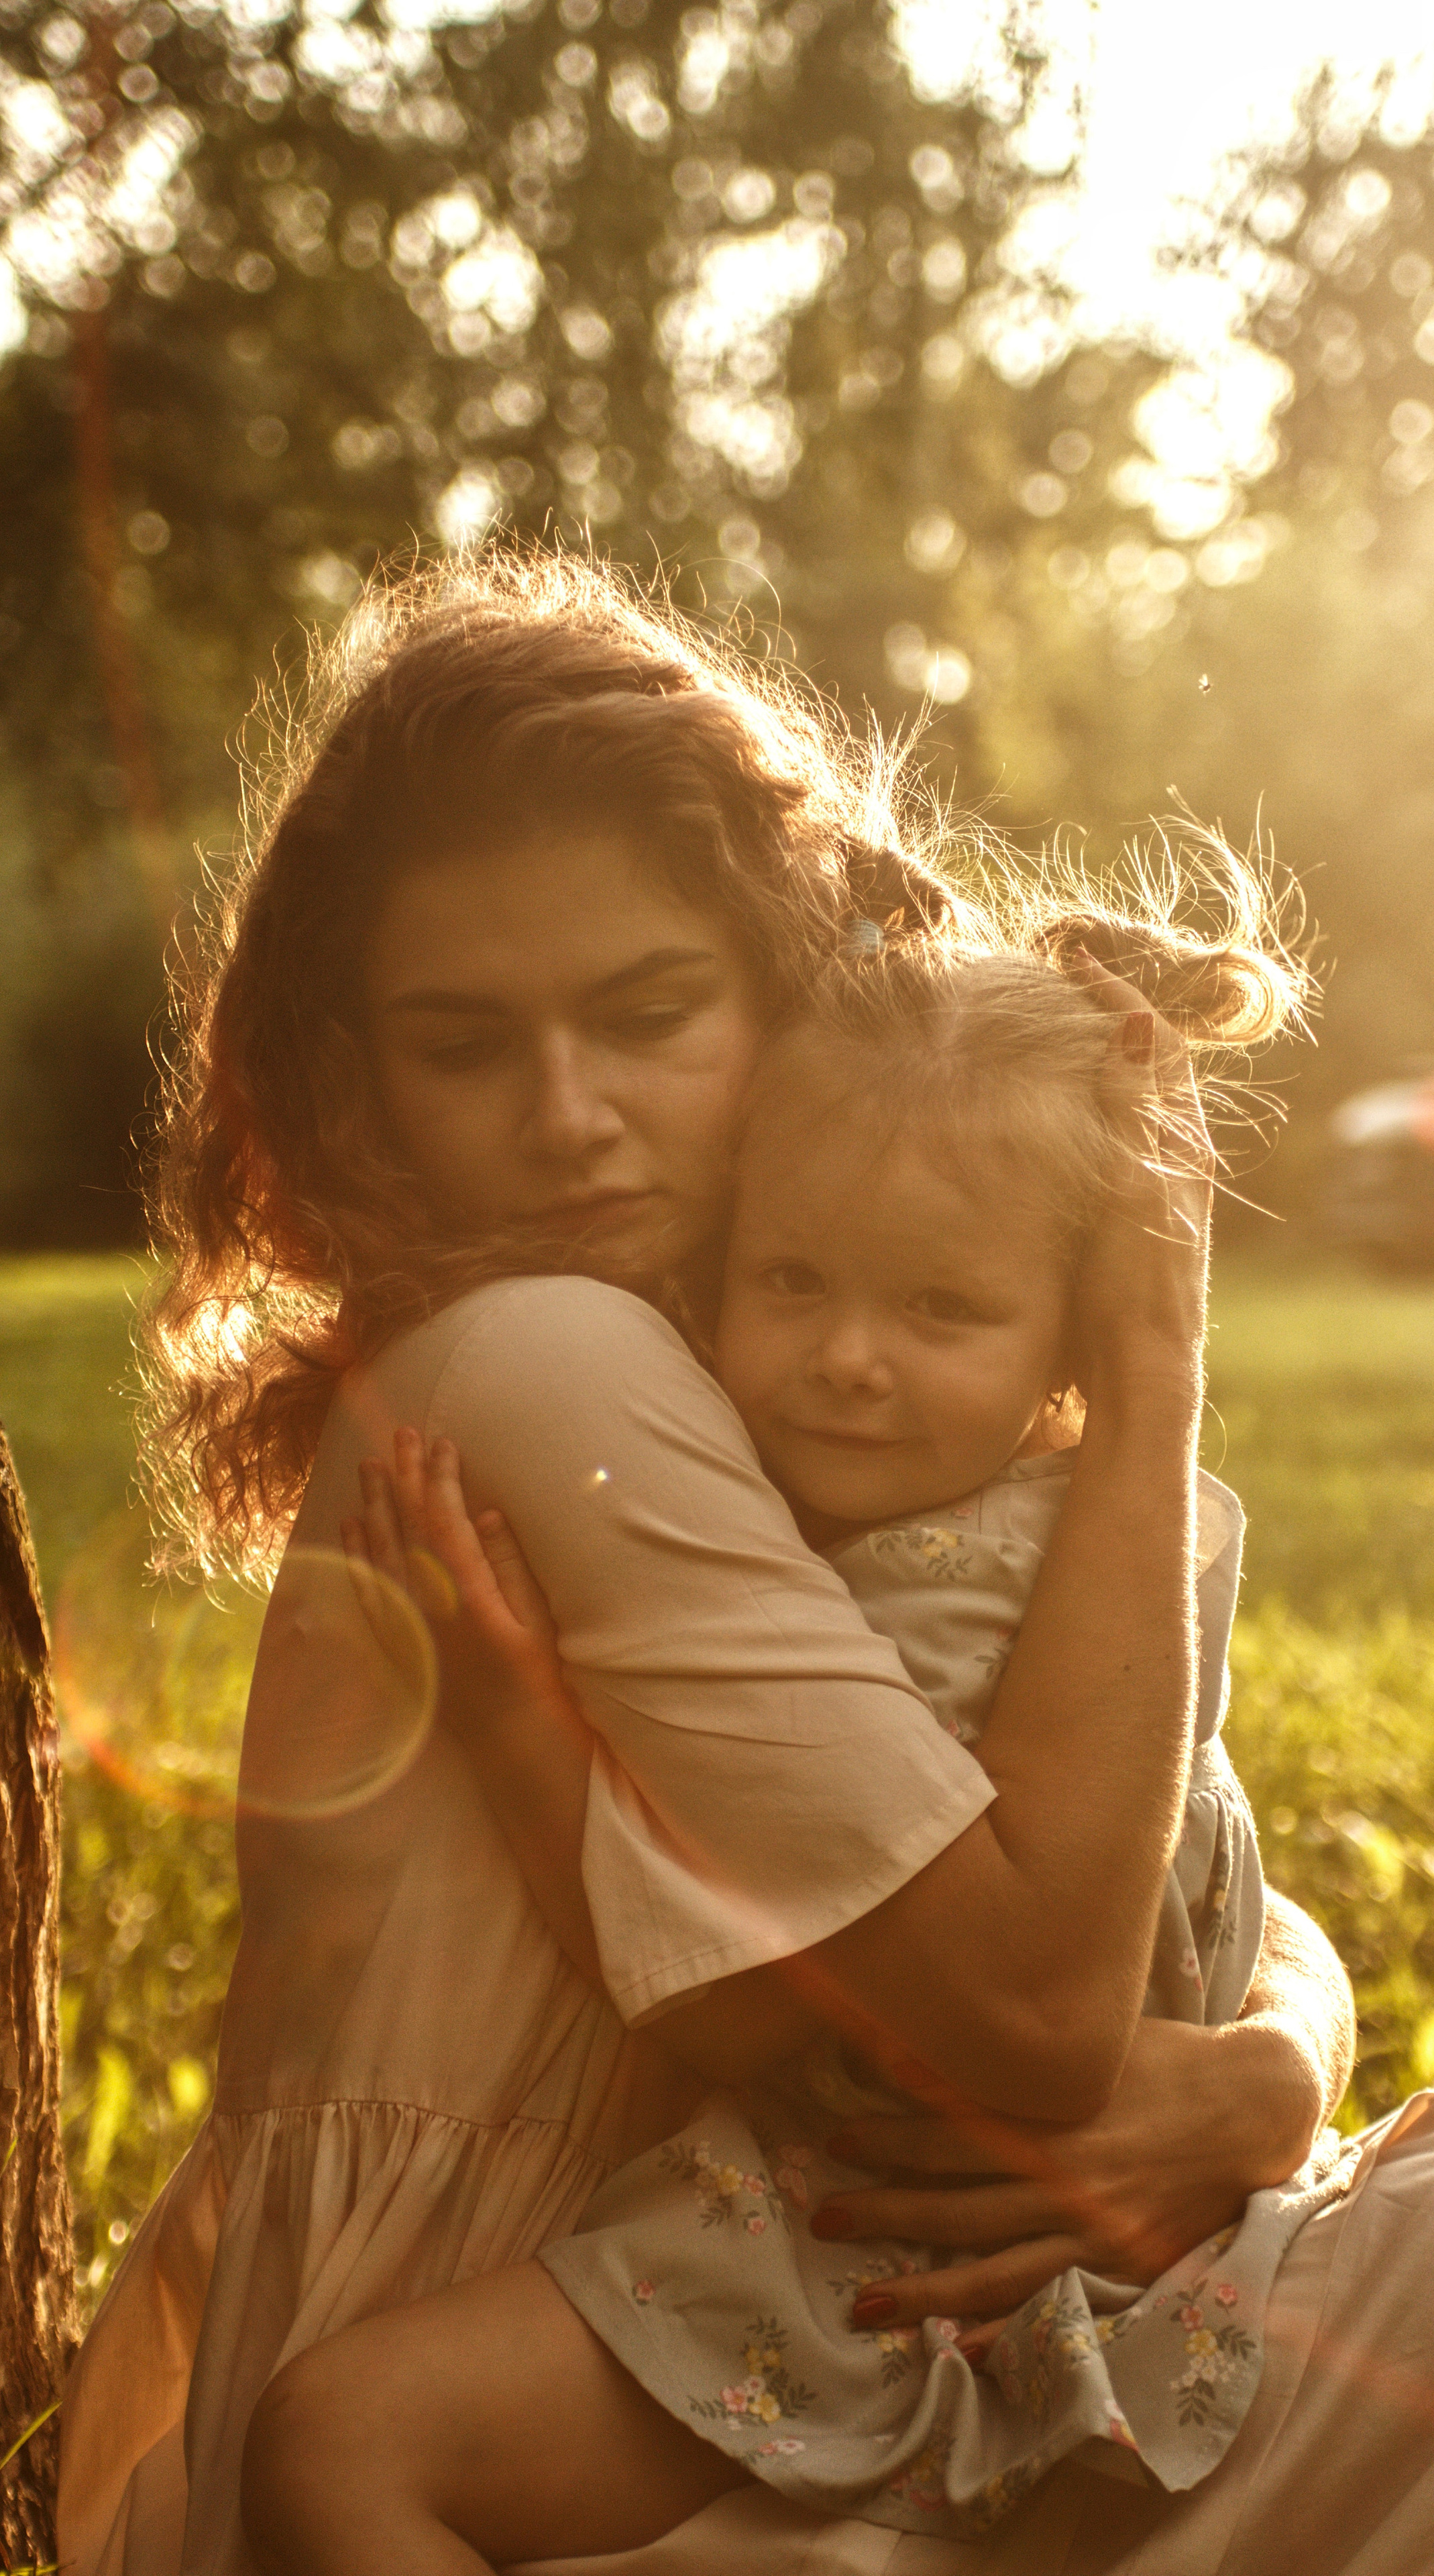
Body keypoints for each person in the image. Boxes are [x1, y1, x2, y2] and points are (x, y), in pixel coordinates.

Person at [55, 553, 1345, 2576]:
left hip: (797, 2344)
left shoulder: (806, 1420)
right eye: (465, 1048)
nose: (573, 1122)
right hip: (575, 2415)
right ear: (359, 1085)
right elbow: (1019, 2026)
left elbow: (1162, 1824)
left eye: (650, 1014)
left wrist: (1277, 2065)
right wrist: (1153, 1358)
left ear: (789, 983)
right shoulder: (551, 1365)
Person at [239, 939, 1364, 2567]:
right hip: (1081, 2253)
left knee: (342, 2441)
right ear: (713, 1274)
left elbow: (748, 2021)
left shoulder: (951, 1599)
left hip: (853, 2264)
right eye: (794, 1283)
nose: (848, 1356)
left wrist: (517, 1725)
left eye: (940, 1308)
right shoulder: (1107, 1556)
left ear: (1073, 1353)